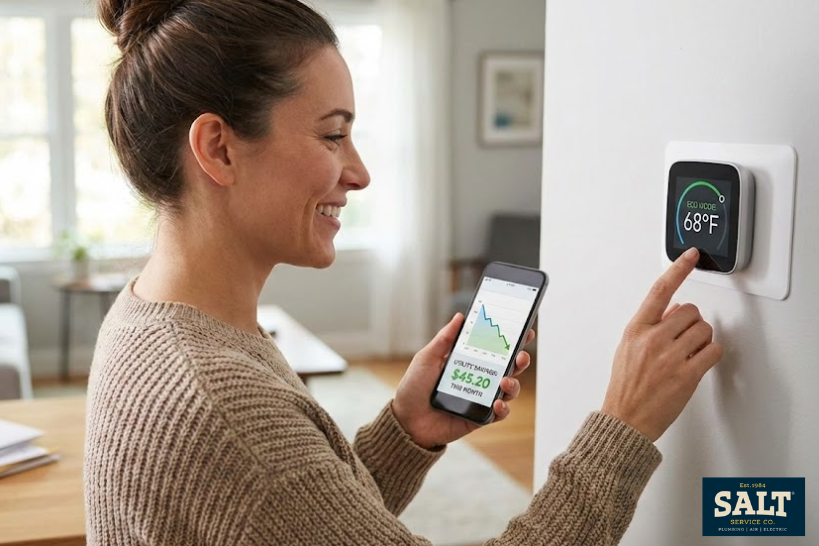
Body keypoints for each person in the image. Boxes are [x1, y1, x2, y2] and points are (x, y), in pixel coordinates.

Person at [84, 1, 723, 544]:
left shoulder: (148, 316)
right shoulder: (223, 405)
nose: (358, 172)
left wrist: (405, 431)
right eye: (333, 136)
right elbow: (267, 482)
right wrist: (622, 425)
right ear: (219, 148)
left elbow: (285, 518)